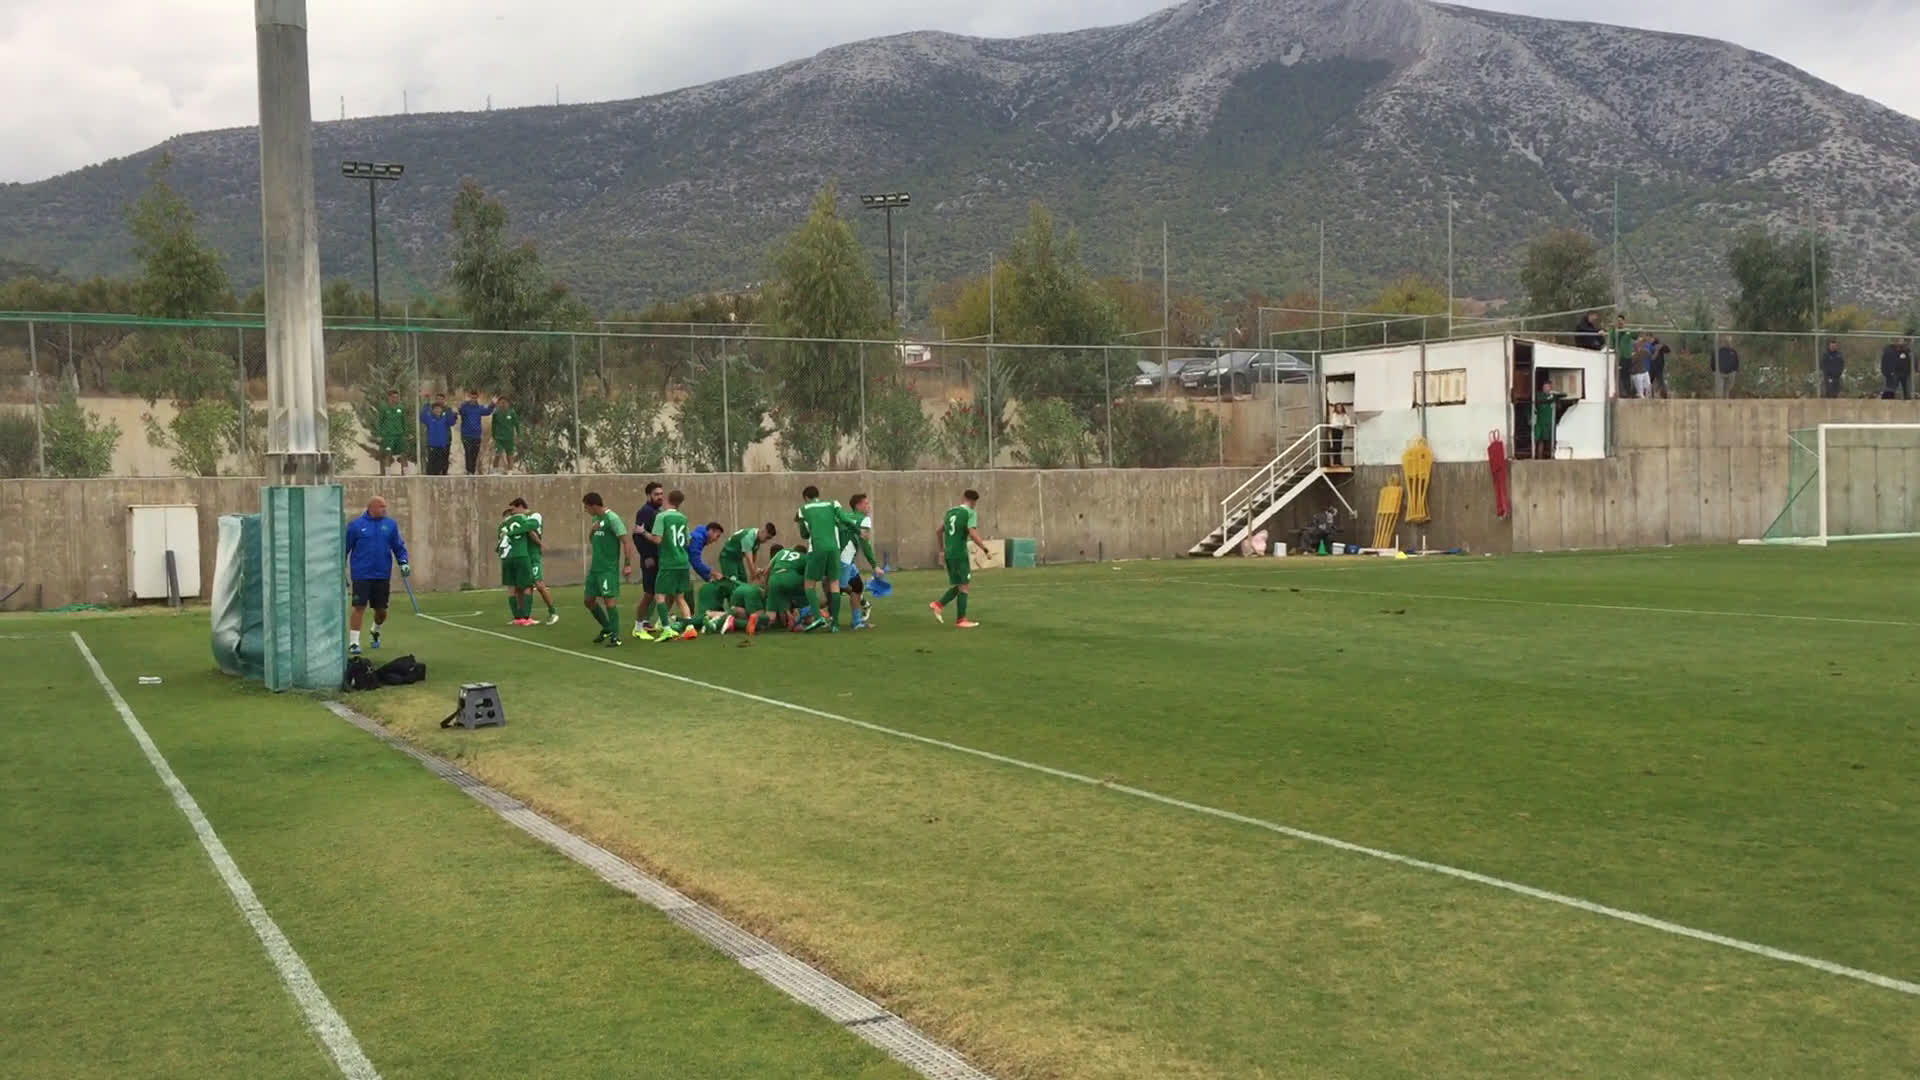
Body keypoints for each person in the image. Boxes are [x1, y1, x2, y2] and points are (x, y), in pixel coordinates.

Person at [344, 496, 409, 655]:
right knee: (359, 607)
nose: (384, 509)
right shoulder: (356, 526)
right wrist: (341, 569)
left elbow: (398, 546)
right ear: (371, 508)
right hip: (361, 574)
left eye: (385, 506)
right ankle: (354, 643)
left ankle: (375, 630)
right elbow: (344, 548)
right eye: (381, 506)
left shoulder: (390, 525)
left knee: (381, 611)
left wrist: (403, 562)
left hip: (382, 574)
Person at [795, 485, 862, 632]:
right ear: (818, 495)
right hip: (834, 549)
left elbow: (804, 534)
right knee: (834, 583)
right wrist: (858, 530)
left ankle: (818, 617)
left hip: (817, 548)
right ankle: (835, 624)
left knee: (809, 585)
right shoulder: (833, 504)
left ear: (806, 498)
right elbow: (844, 519)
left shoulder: (803, 509)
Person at [581, 491, 637, 646]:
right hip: (595, 568)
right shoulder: (596, 519)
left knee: (609, 601)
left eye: (586, 507)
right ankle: (607, 627)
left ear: (594, 506)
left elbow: (626, 542)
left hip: (608, 568)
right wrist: (592, 530)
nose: (586, 510)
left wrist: (627, 564)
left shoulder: (613, 519)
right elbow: (591, 539)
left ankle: (616, 637)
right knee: (588, 601)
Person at [930, 489, 990, 629]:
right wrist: (985, 549)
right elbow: (972, 534)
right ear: (974, 502)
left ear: (963, 497)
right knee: (964, 586)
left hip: (949, 553)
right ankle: (959, 618)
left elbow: (938, 531)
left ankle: (940, 605)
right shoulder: (970, 513)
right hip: (960, 554)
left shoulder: (950, 512)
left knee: (960, 585)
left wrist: (941, 551)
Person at [647, 490, 696, 642]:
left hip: (669, 563)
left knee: (659, 595)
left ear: (667, 499)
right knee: (679, 596)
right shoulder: (683, 518)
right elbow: (688, 541)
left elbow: (657, 539)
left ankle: (667, 629)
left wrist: (643, 533)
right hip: (683, 562)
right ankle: (690, 627)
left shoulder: (662, 516)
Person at [508, 497, 558, 624]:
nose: (512, 513)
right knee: (522, 586)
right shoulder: (517, 520)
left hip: (533, 555)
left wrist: (512, 532)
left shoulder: (535, 515)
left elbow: (530, 527)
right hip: (522, 555)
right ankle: (524, 617)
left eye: (513, 510)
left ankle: (553, 612)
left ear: (520, 506)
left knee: (539, 584)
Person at [836, 493, 883, 630]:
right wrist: (874, 565)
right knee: (835, 591)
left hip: (840, 559)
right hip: (844, 561)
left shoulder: (844, 516)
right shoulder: (864, 520)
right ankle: (807, 612)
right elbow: (865, 544)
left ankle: (857, 622)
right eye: (866, 503)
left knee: (857, 587)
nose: (868, 506)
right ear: (858, 505)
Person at [631, 483, 666, 638]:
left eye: (661, 494)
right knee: (649, 594)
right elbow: (637, 536)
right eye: (656, 494)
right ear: (648, 495)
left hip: (660, 558)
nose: (660, 497)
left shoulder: (658, 512)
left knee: (661, 592)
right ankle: (638, 626)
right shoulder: (645, 512)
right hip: (650, 560)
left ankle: (649, 621)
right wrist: (647, 556)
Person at [497, 507, 539, 627]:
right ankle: (526, 618)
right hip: (521, 555)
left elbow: (500, 542)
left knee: (511, 587)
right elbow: (533, 526)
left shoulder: (501, 526)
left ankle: (517, 618)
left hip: (506, 558)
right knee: (527, 586)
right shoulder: (521, 519)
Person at [764, 542, 812, 632]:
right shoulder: (805, 558)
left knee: (770, 615)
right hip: (791, 578)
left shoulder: (781, 552)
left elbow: (767, 570)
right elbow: (808, 578)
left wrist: (766, 588)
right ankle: (802, 619)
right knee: (804, 592)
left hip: (774, 579)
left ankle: (758, 620)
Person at [375, 389, 410, 476]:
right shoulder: (383, 408)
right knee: (388, 454)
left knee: (404, 455)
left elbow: (404, 422)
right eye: (393, 397)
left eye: (397, 397)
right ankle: (387, 475)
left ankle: (405, 475)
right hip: (388, 436)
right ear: (389, 397)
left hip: (400, 436)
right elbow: (379, 422)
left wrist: (406, 433)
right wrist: (379, 435)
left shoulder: (401, 408)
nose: (395, 399)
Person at [458, 389, 494, 475]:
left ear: (477, 397)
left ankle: (472, 472)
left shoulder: (479, 408)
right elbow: (460, 410)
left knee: (474, 455)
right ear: (469, 397)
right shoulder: (465, 407)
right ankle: (468, 471)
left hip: (476, 435)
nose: (473, 399)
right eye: (472, 397)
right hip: (466, 435)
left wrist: (492, 404)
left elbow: (488, 411)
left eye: (475, 397)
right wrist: (463, 404)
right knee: (468, 453)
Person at [419, 394, 456, 475]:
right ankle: (430, 479)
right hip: (432, 446)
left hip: (443, 446)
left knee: (442, 465)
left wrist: (450, 411)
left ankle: (443, 478)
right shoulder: (429, 419)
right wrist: (427, 404)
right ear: (432, 410)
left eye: (439, 409)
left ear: (441, 410)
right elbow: (422, 417)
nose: (437, 410)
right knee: (432, 465)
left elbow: (452, 422)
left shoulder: (445, 419)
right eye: (435, 409)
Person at [1532, 373, 1563, 460]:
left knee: (1552, 440)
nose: (1546, 388)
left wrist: (1555, 394)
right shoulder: (1539, 395)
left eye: (1548, 387)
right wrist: (1551, 397)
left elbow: (1564, 395)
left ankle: (1552, 457)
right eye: (1545, 387)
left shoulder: (1553, 396)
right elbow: (1542, 400)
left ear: (1550, 388)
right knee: (1540, 441)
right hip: (1541, 422)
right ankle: (1539, 458)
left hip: (1551, 422)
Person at [688, 519, 725, 586]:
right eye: (717, 536)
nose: (716, 540)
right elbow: (696, 562)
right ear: (711, 531)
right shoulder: (698, 539)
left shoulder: (699, 536)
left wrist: (708, 579)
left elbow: (696, 564)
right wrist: (714, 573)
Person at [490, 395, 520, 473]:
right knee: (498, 454)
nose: (503, 404)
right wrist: (493, 436)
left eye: (505, 402)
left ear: (508, 403)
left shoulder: (512, 412)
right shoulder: (496, 413)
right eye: (501, 402)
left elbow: (517, 425)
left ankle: (510, 471)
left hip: (509, 438)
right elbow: (493, 425)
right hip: (499, 438)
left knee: (509, 455)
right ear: (498, 403)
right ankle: (495, 470)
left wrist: (518, 436)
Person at [1609, 314, 1634, 395]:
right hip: (1619, 357)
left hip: (1628, 357)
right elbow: (1611, 342)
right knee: (1620, 375)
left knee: (1627, 375)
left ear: (1624, 321)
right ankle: (1621, 393)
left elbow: (1635, 335)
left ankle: (1628, 393)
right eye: (1618, 321)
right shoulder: (1614, 331)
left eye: (1621, 321)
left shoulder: (1628, 331)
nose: (1619, 322)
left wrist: (1639, 331)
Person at [1630, 335, 1654, 399]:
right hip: (1637, 373)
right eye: (1638, 344)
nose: (1640, 345)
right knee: (1640, 393)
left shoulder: (1644, 351)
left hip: (1644, 372)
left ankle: (1648, 398)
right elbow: (1632, 361)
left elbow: (1651, 357)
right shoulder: (1632, 353)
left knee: (1648, 387)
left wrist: (1656, 350)